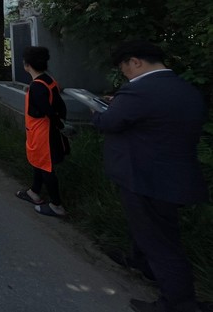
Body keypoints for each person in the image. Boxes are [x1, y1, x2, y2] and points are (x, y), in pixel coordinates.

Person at [91, 41, 208, 312]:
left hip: (144, 177)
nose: (125, 74)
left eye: (124, 68)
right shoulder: (185, 89)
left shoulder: (139, 91)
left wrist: (97, 113)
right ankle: (141, 263)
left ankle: (178, 303)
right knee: (149, 230)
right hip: (174, 176)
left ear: (135, 61)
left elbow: (109, 122)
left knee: (161, 243)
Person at [15, 46, 68, 218]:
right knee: (38, 163)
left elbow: (47, 110)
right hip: (45, 131)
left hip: (42, 134)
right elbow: (59, 106)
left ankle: (56, 205)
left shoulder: (37, 87)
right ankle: (34, 192)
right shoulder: (48, 80)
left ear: (27, 65)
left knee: (46, 167)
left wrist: (58, 124)